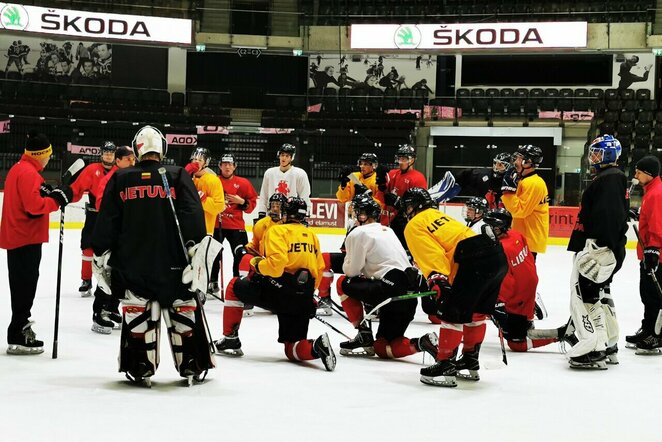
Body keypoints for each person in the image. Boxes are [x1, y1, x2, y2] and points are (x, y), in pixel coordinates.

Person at [91, 125, 215, 386]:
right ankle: (192, 363)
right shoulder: (179, 174)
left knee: (138, 316)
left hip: (132, 265)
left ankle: (139, 366)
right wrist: (195, 254)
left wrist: (102, 253)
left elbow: (106, 221)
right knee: (184, 312)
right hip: (174, 265)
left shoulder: (120, 178)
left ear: (136, 148)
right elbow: (193, 217)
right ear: (163, 148)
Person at [214, 197, 336, 372]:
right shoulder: (312, 236)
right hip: (303, 297)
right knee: (292, 347)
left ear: (286, 213)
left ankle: (230, 338)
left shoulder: (277, 231)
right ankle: (316, 347)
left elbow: (276, 267)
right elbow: (319, 269)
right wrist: (308, 297)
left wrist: (256, 263)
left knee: (234, 286)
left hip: (279, 292)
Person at [402, 188, 507, 387]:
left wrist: (437, 278)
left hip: (471, 261)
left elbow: (432, 255)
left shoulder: (414, 224)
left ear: (412, 207)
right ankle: (469, 361)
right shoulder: (438, 215)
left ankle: (445, 365)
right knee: (476, 314)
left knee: (451, 313)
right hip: (496, 256)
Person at [335, 194, 438, 360]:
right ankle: (421, 343)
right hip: (409, 292)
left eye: (357, 212)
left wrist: (349, 266)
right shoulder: (388, 230)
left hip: (389, 287)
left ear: (363, 215)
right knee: (383, 346)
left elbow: (352, 272)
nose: (354, 215)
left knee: (342, 282)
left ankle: (364, 334)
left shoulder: (358, 232)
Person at [0, 132, 72, 355]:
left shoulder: (19, 169)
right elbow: (33, 208)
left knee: (21, 286)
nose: (49, 159)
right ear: (41, 155)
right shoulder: (29, 173)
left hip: (18, 237)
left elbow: (30, 198)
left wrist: (47, 193)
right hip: (25, 239)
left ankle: (18, 329)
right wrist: (56, 201)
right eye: (48, 155)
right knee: (25, 287)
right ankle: (19, 333)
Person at [564, 135, 628, 369]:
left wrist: (601, 247)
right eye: (593, 152)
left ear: (609, 155)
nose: (593, 157)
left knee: (585, 297)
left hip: (599, 249)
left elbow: (608, 217)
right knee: (599, 295)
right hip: (604, 248)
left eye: (598, 153)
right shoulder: (610, 177)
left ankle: (594, 348)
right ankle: (609, 343)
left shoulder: (609, 179)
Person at [483, 209, 568, 352]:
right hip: (529, 286)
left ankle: (562, 334)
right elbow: (529, 260)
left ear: (500, 227)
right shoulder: (516, 234)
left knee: (517, 345)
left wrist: (499, 303)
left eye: (492, 226)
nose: (488, 229)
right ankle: (523, 322)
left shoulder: (500, 249)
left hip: (518, 299)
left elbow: (506, 282)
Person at [89, 146, 136, 334]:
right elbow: (101, 203)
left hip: (125, 234)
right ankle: (99, 312)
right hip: (112, 233)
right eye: (129, 159)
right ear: (118, 160)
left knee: (120, 272)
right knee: (107, 272)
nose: (133, 162)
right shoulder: (111, 179)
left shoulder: (129, 177)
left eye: (134, 159)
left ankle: (112, 307)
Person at [70, 141, 116, 297]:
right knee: (87, 248)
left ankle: (108, 282)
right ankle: (86, 280)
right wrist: (65, 195)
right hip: (94, 216)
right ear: (101, 154)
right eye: (106, 152)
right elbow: (76, 189)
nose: (108, 155)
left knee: (111, 251)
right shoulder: (91, 170)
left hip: (112, 217)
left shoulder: (120, 171)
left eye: (111, 153)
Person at [627, 156, 662, 354]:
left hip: (656, 255)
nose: (636, 175)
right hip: (649, 252)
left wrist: (653, 250)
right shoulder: (651, 191)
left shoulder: (656, 193)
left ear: (648, 173)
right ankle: (648, 329)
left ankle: (656, 335)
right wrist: (638, 213)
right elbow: (650, 216)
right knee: (647, 294)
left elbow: (658, 224)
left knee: (654, 296)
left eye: (638, 172)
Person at [210, 153, 257, 295]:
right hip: (216, 224)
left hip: (236, 226)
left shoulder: (243, 183)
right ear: (219, 166)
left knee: (241, 255)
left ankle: (238, 282)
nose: (227, 166)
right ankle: (212, 282)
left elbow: (252, 203)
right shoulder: (213, 181)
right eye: (224, 163)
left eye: (230, 164)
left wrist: (242, 201)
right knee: (213, 255)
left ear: (235, 166)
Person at [185, 147, 225, 298]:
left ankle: (200, 291)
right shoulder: (188, 178)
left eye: (200, 160)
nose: (196, 162)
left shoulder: (212, 180)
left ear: (206, 162)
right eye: (194, 159)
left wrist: (203, 199)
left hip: (205, 230)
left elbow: (219, 205)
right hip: (187, 227)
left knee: (201, 263)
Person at [501, 145, 549, 256]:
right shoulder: (524, 180)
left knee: (523, 273)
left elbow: (521, 211)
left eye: (519, 158)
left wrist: (508, 193)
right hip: (523, 238)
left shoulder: (533, 183)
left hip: (528, 239)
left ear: (528, 162)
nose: (515, 161)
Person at [383, 145, 428, 248]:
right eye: (399, 158)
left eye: (404, 159)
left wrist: (399, 202)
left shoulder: (418, 178)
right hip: (390, 219)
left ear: (412, 160)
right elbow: (383, 192)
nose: (400, 161)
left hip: (406, 221)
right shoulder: (392, 173)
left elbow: (418, 202)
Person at [257, 143, 311, 217]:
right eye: (282, 155)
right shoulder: (269, 173)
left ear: (292, 158)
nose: (284, 158)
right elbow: (264, 195)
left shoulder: (300, 174)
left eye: (287, 156)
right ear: (279, 155)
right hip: (272, 214)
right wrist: (261, 212)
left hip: (291, 215)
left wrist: (305, 212)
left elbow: (305, 196)